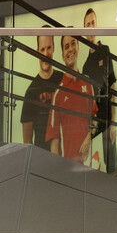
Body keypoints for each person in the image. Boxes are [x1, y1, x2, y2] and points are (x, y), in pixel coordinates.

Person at [46, 35, 96, 163]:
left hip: (88, 165)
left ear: (78, 47)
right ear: (62, 55)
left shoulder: (88, 84)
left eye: (73, 44)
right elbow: (54, 142)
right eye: (66, 47)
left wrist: (88, 139)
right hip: (67, 167)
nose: (70, 49)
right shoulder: (58, 94)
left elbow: (95, 122)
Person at [82, 8, 117, 172]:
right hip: (95, 120)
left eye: (93, 22)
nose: (91, 27)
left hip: (107, 117)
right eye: (87, 24)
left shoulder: (105, 51)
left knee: (111, 164)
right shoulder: (85, 66)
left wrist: (114, 122)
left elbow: (112, 86)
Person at [21, 34, 61, 150]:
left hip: (66, 157)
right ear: (37, 51)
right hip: (43, 159)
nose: (45, 54)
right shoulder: (31, 92)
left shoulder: (64, 79)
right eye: (42, 49)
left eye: (49, 48)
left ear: (53, 48)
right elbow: (27, 142)